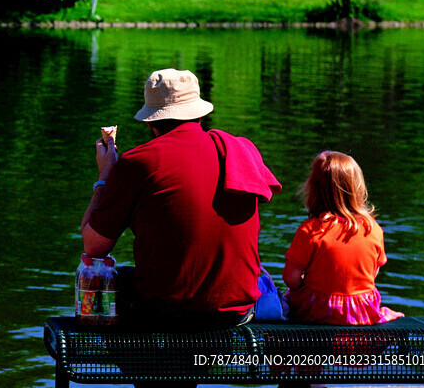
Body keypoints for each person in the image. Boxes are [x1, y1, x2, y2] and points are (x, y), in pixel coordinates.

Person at [81, 68, 281, 329]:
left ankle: (129, 358)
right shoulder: (241, 150)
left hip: (169, 312)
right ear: (199, 114)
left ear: (150, 122)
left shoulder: (138, 162)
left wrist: (105, 176)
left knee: (101, 281)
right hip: (240, 310)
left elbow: (93, 247)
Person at [282, 151, 403, 325]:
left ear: (313, 190)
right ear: (357, 189)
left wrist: (307, 283)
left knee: (287, 298)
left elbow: (290, 279)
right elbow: (372, 274)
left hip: (318, 312)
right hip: (362, 312)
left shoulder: (310, 231)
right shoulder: (373, 229)